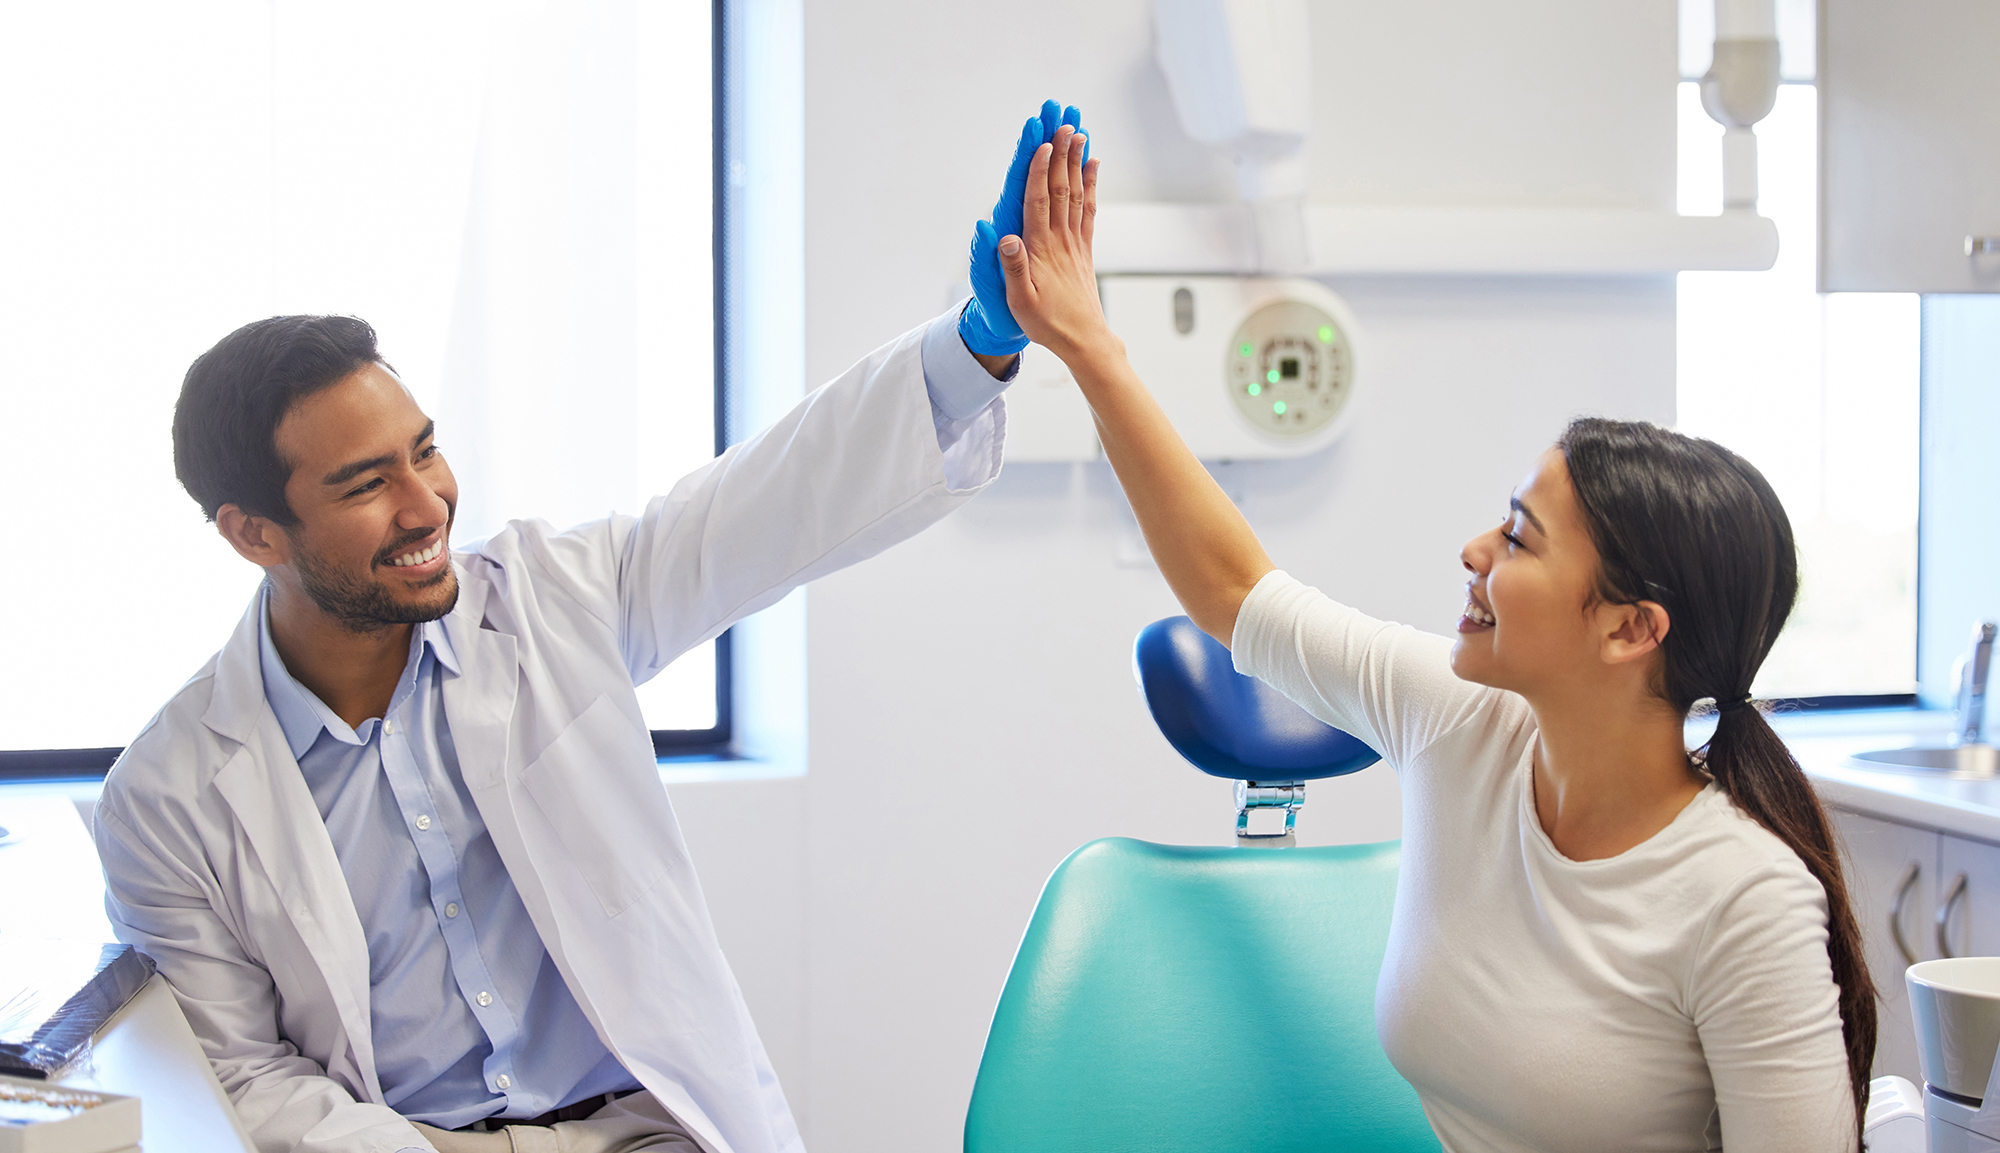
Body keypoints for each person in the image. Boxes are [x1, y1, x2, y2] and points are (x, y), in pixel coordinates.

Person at [93, 102, 1085, 1153]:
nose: (427, 503)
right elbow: (243, 1073)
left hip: (646, 1131)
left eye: (424, 451)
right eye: (365, 483)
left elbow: (771, 500)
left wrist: (973, 350)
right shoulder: (165, 798)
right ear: (254, 533)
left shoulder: (552, 595)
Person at [995, 125, 1875, 1150]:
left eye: (1518, 538)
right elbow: (1232, 589)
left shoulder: (1743, 901)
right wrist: (1087, 347)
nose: (1472, 551)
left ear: (1630, 628)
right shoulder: (1461, 721)